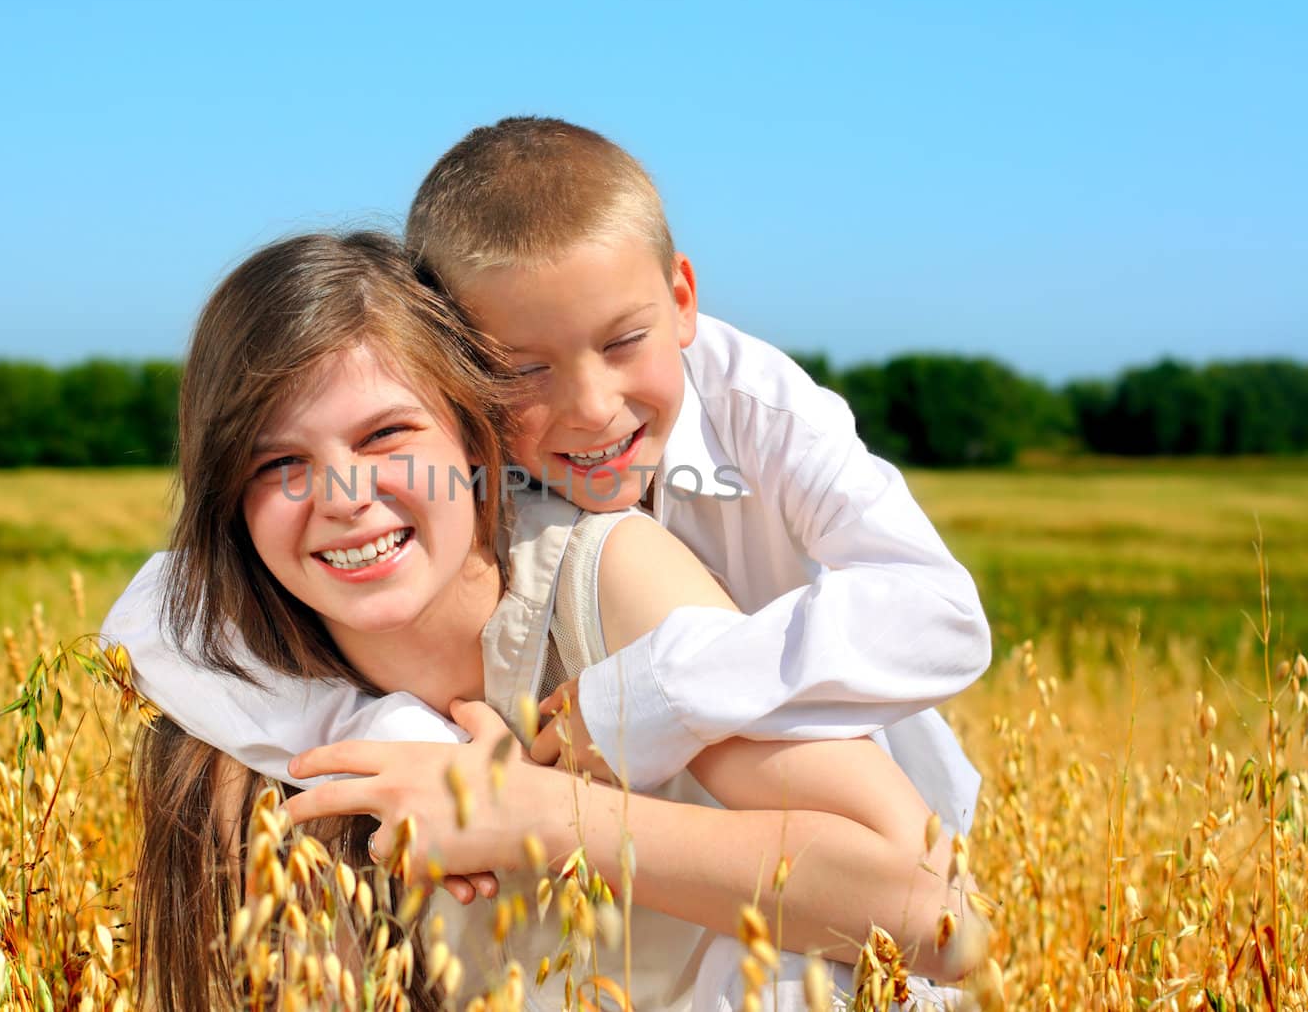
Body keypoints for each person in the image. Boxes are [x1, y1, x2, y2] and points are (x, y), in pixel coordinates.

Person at [128, 232, 978, 1011]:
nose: (346, 499)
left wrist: (537, 815)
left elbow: (943, 922)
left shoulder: (603, 580)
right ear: (229, 501)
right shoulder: (235, 698)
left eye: (387, 435)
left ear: (473, 436)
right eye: (279, 463)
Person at [106, 116, 990, 838]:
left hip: (854, 820)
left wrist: (659, 690)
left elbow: (944, 617)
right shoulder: (464, 463)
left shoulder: (768, 412)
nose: (594, 408)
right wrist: (398, 734)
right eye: (522, 369)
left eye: (622, 341)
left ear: (683, 299)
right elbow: (150, 616)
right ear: (454, 367)